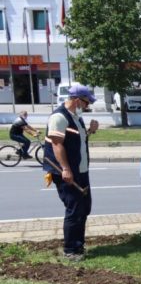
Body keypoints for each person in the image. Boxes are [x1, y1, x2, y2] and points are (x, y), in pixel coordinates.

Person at [43, 84, 99, 261]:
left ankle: (78, 245)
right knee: (74, 210)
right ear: (76, 100)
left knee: (84, 208)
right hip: (68, 172)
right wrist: (66, 169)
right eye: (86, 101)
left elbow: (77, 141)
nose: (88, 105)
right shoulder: (59, 117)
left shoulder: (76, 117)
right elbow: (57, 144)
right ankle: (70, 250)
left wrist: (90, 131)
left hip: (81, 171)